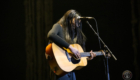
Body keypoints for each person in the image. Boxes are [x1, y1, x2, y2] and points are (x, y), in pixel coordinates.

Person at [47, 9, 96, 80]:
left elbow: (71, 56)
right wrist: (71, 47)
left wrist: (86, 57)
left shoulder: (72, 34)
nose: (77, 25)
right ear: (69, 19)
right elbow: (51, 35)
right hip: (60, 71)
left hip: (70, 71)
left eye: (78, 23)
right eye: (76, 21)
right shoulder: (58, 26)